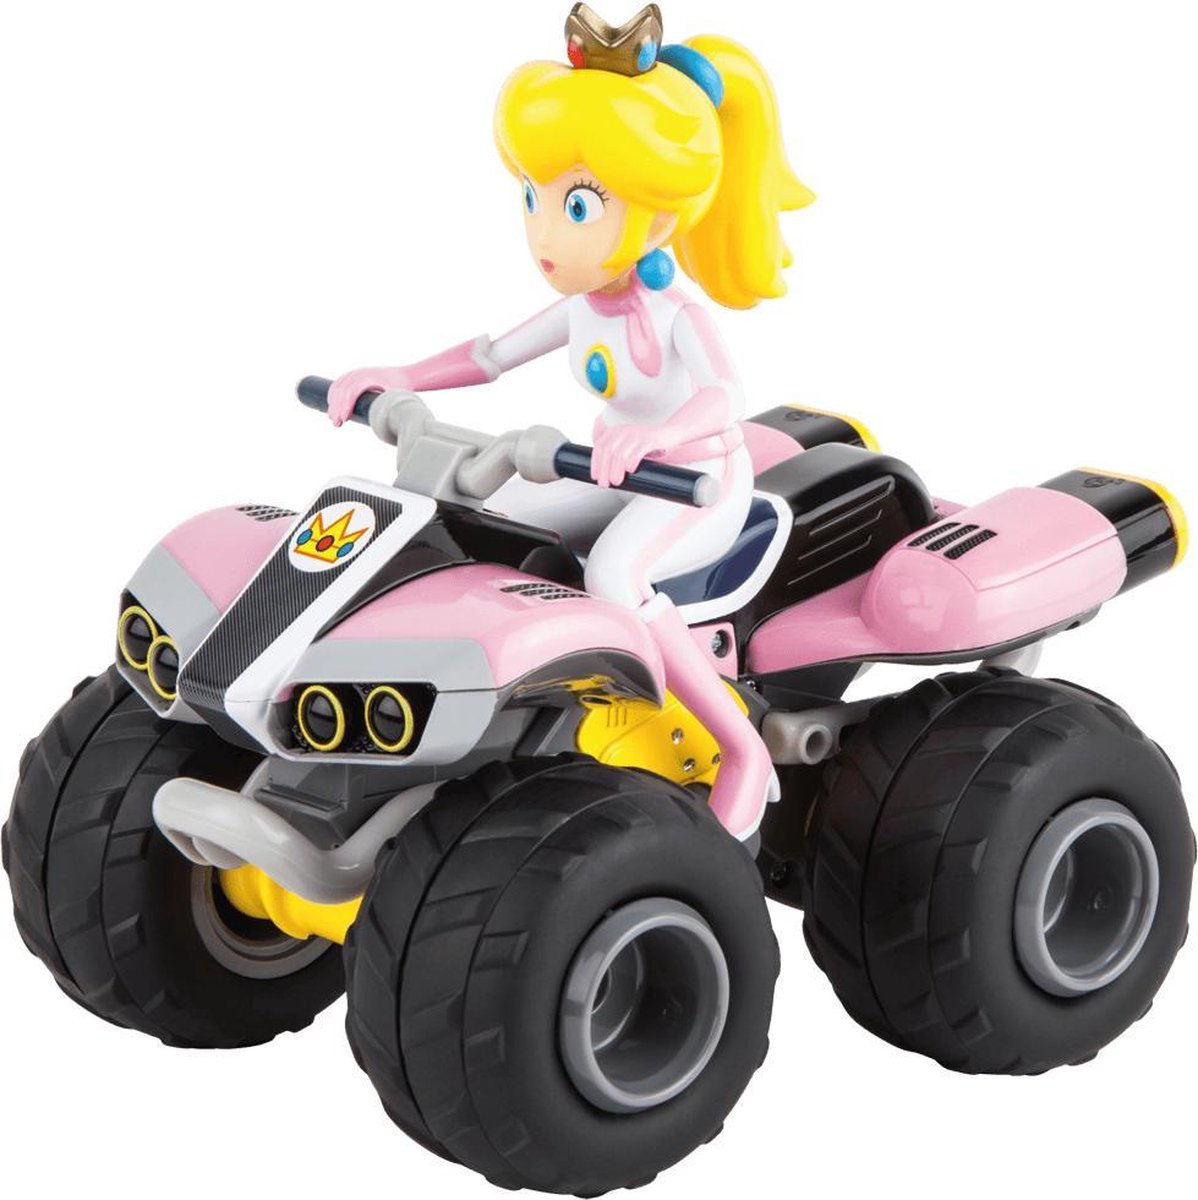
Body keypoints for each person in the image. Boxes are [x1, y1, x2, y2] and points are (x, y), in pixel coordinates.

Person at [326, 4, 813, 839]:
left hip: (698, 478)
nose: (545, 232)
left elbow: (723, 399)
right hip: (618, 467)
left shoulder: (674, 314)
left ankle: (739, 749)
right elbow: (490, 355)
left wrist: (658, 437)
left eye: (578, 206)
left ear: (661, 212)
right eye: (532, 198)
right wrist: (401, 378)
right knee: (492, 525)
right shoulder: (584, 304)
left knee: (616, 574)